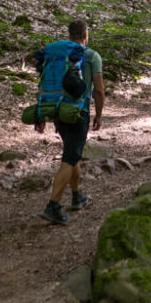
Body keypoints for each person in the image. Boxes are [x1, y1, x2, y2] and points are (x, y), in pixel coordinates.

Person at [36, 19, 105, 225]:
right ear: (86, 35)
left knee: (72, 152)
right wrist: (99, 115)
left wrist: (40, 113)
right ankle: (53, 206)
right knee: (70, 157)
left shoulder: (60, 55)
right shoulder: (91, 55)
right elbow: (99, 90)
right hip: (78, 113)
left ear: (69, 34)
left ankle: (77, 195)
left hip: (58, 110)